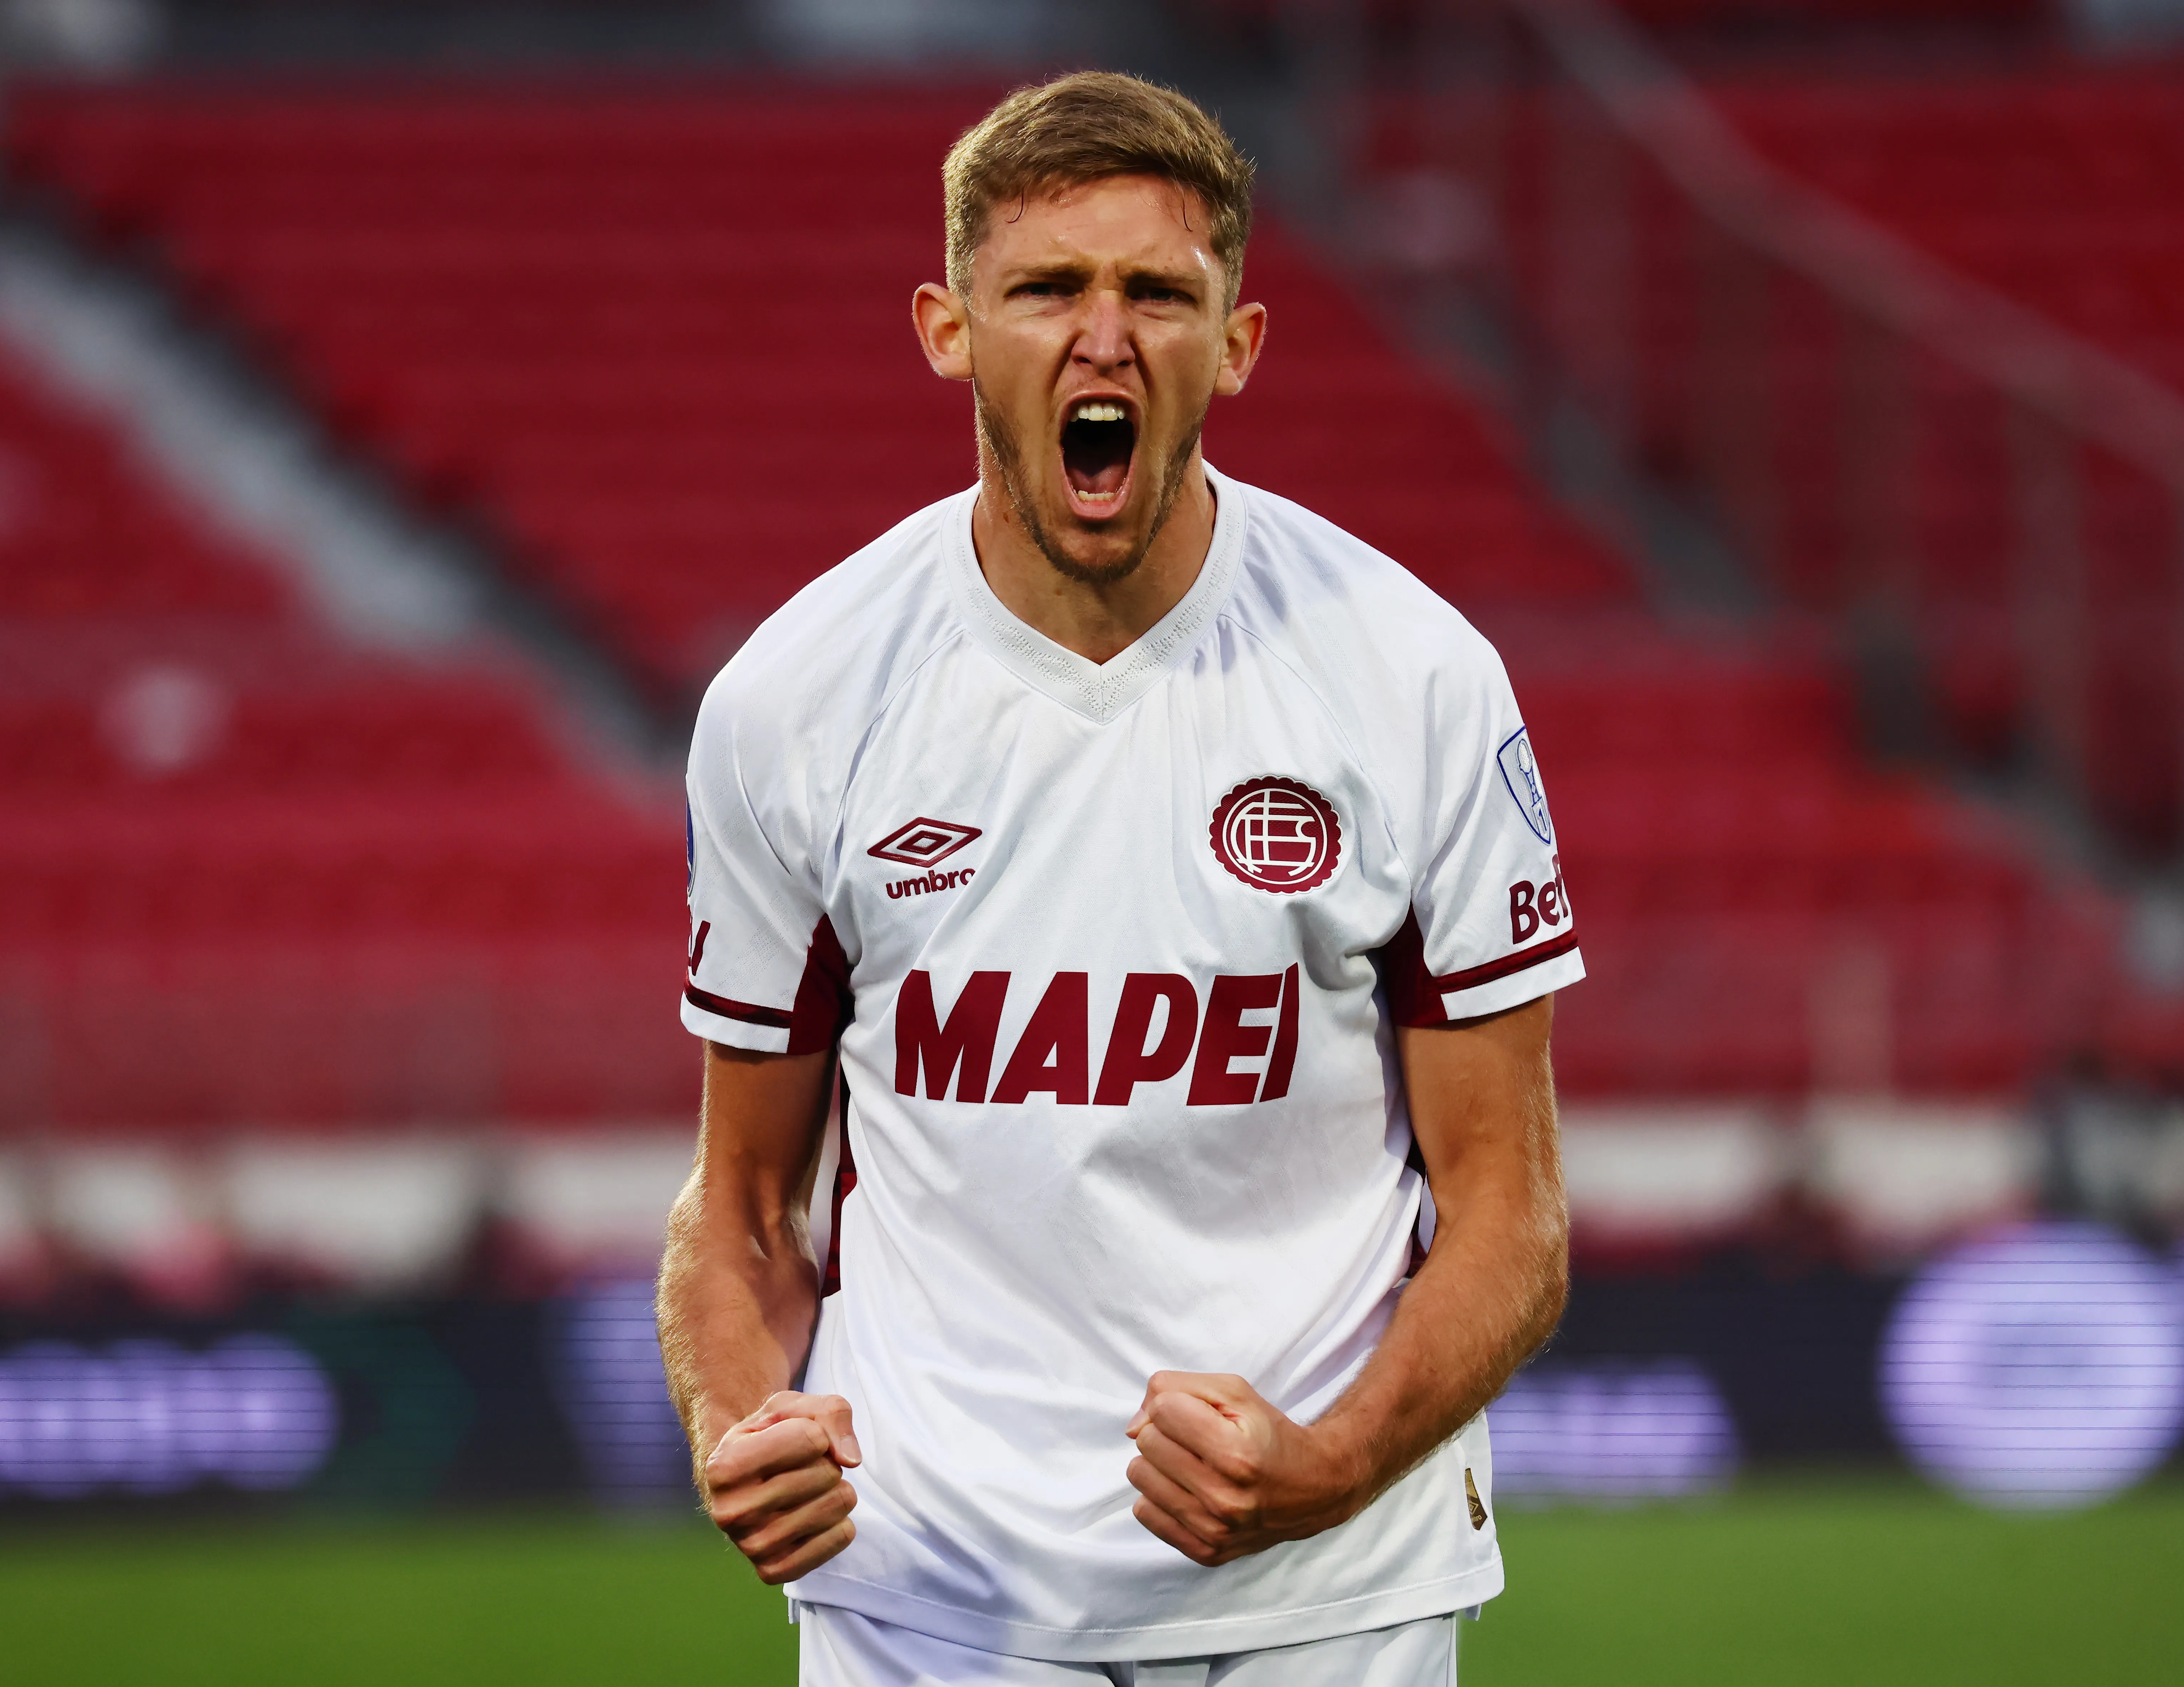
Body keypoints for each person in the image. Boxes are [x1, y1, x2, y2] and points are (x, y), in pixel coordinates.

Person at [658, 70, 1579, 1687]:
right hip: (928, 1602)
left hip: (1327, 1599)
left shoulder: (1418, 676)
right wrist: (741, 1422)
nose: (1106, 335)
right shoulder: (793, 699)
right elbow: (739, 1204)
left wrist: (1339, 1459)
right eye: (1048, 288)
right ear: (949, 328)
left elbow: (1514, 1208)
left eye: (1159, 290)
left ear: (1238, 343)